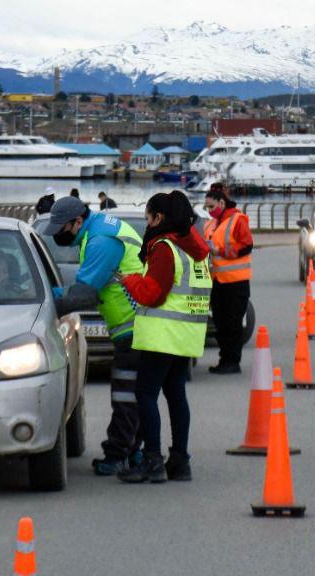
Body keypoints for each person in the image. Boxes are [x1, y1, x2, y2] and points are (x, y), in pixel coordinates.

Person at [41, 196, 145, 476]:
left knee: (125, 394)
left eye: (63, 229)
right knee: (135, 393)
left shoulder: (100, 241)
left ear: (77, 222)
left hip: (135, 326)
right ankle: (136, 451)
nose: (60, 236)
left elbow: (84, 295)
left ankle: (118, 455)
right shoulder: (101, 230)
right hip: (137, 324)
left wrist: (42, 303)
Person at [117, 191, 211, 483]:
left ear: (159, 218)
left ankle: (153, 460)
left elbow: (153, 294)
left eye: (147, 218)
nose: (146, 224)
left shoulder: (163, 247)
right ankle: (180, 461)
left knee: (146, 393)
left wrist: (129, 280)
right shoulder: (195, 250)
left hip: (163, 335)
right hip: (186, 335)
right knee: (176, 395)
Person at [202, 184, 252, 374]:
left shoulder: (238, 220)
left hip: (235, 282)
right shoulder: (210, 224)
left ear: (222, 203)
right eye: (207, 207)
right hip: (217, 282)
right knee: (221, 324)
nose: (209, 211)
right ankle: (225, 360)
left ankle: (232, 362)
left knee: (233, 324)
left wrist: (219, 251)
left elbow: (246, 246)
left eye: (211, 206)